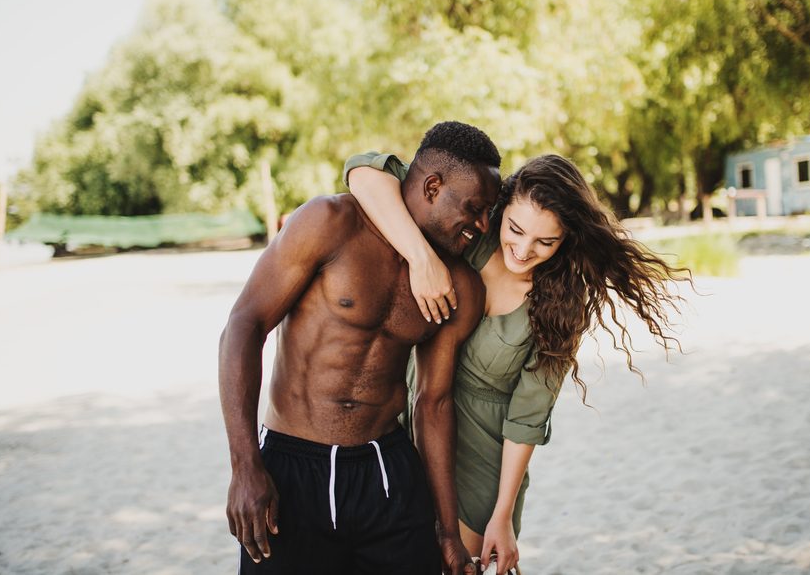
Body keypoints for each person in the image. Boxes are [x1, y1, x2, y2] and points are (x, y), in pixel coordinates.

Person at [346, 151, 686, 574]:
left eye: (546, 242)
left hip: (482, 459)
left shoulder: (563, 302)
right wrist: (421, 258)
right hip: (406, 425)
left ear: (565, 240)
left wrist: (502, 514)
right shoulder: (469, 232)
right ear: (500, 209)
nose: (524, 250)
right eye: (516, 229)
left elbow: (528, 416)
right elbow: (363, 170)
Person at [219, 121, 502, 575]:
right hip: (293, 469)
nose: (483, 225)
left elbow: (433, 402)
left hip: (387, 473)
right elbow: (244, 326)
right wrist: (244, 466)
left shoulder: (459, 287)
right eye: (475, 208)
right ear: (432, 187)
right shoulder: (331, 223)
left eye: (488, 212)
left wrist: (447, 531)